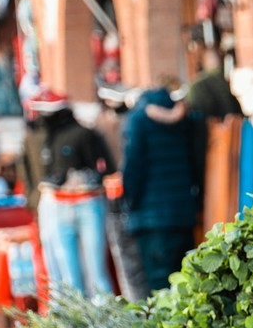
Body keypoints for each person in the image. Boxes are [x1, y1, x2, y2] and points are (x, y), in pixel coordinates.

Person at [23, 88, 115, 296]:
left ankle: (104, 321)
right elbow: (31, 173)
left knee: (95, 272)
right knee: (66, 273)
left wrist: (87, 177)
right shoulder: (38, 137)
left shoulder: (83, 134)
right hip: (56, 204)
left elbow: (106, 169)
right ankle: (74, 322)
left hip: (88, 202)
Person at [121, 86, 201, 294]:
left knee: (159, 288)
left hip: (151, 220)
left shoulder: (138, 121)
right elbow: (195, 164)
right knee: (185, 282)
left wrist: (130, 203)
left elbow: (133, 169)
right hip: (183, 215)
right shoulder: (184, 120)